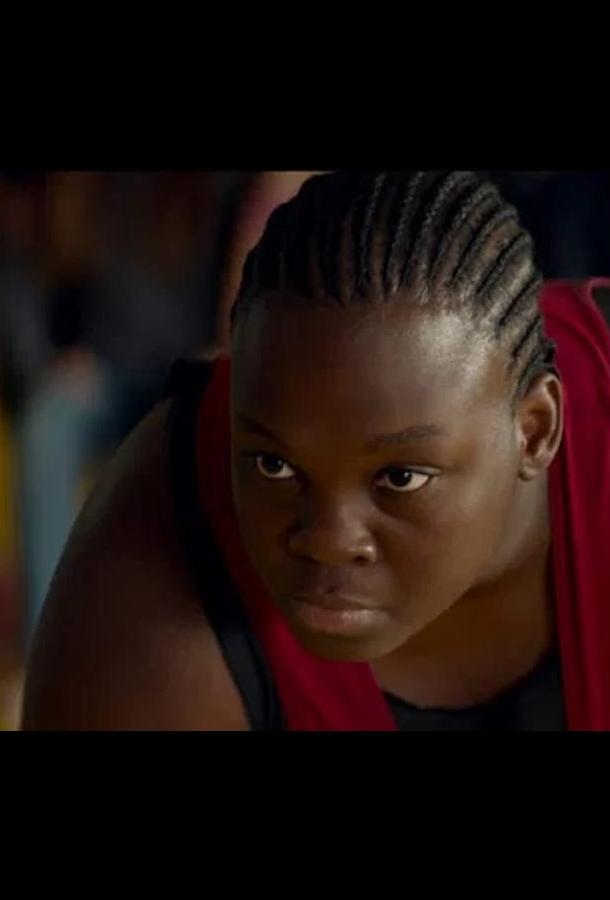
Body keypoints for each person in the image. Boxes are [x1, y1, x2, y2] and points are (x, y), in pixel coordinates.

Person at [21, 171, 610, 731]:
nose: (327, 540)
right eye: (274, 465)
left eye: (399, 477)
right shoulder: (161, 546)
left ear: (535, 430)